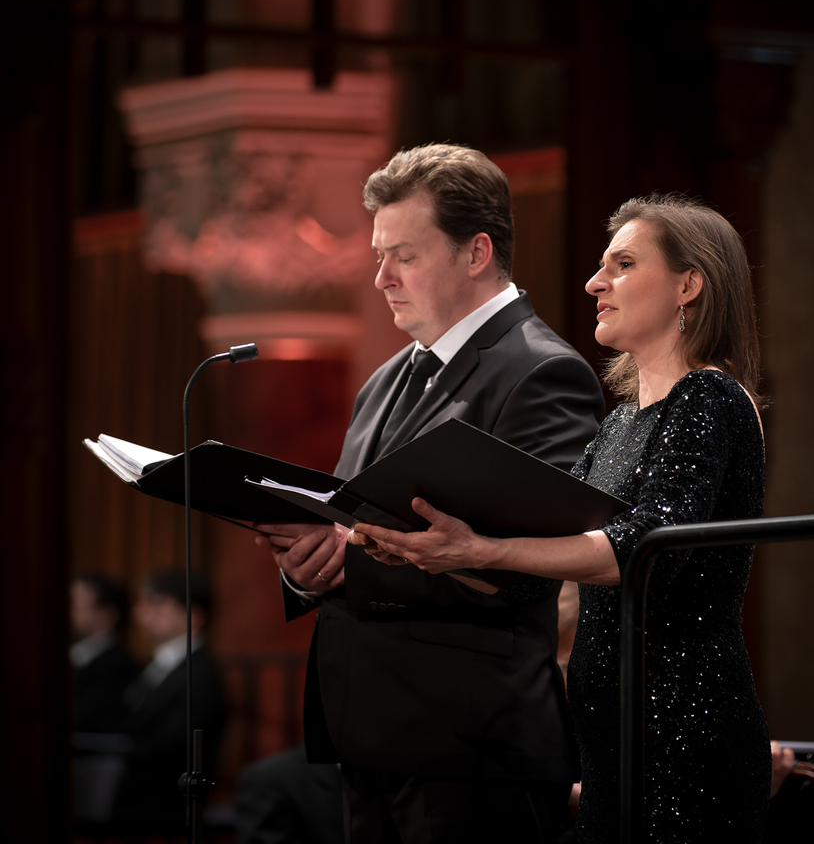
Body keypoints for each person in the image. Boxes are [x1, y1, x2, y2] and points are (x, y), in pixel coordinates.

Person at [351, 193, 773, 843]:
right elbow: (536, 557)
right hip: (609, 745)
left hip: (682, 728)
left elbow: (640, 547)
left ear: (690, 283)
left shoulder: (709, 396)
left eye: (624, 264)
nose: (594, 282)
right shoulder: (618, 424)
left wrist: (481, 550)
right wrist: (427, 547)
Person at [254, 143, 606, 843]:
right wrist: (308, 568)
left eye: (404, 256)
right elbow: (353, 526)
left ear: (476, 253)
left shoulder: (542, 373)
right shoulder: (383, 380)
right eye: (379, 255)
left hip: (470, 742)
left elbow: (528, 570)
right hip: (369, 733)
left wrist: (348, 556)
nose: (381, 277)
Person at [111, 569, 227, 833]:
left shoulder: (200, 675)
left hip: (164, 812)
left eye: (156, 603)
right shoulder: (154, 665)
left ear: (193, 616)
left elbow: (174, 748)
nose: (141, 613)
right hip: (134, 803)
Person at [70, 571, 141, 824]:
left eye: (75, 605)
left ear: (105, 616)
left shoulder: (119, 667)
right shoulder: (72, 659)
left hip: (91, 773)